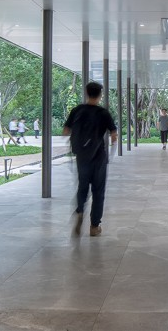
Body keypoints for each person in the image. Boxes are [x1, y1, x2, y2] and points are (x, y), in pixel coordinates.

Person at [64, 82, 119, 237]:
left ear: (87, 93)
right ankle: (94, 226)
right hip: (99, 157)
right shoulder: (103, 113)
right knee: (98, 191)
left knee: (82, 186)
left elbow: (66, 131)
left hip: (82, 157)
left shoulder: (77, 110)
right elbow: (114, 136)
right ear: (100, 95)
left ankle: (80, 210)